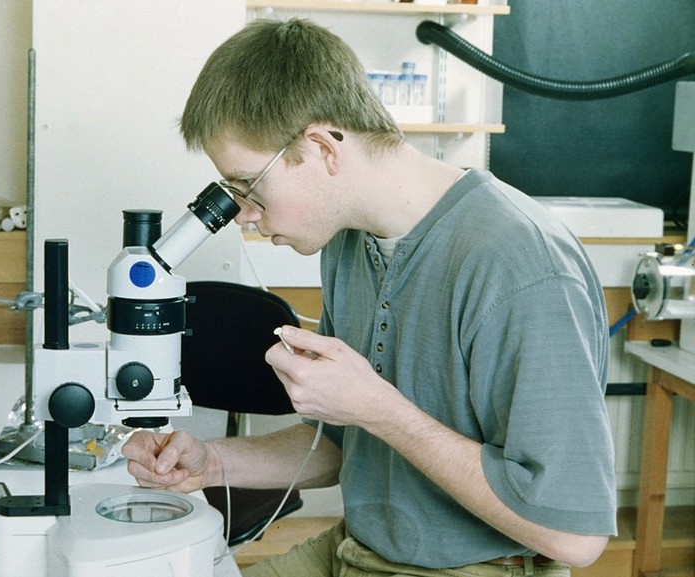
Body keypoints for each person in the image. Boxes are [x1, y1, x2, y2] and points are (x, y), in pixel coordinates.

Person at [122, 17, 616, 577]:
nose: (244, 214)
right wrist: (211, 462)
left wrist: (379, 408)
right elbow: (344, 442)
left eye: (247, 186)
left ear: (321, 147)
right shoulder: (349, 242)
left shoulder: (520, 265)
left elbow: (573, 536)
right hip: (356, 547)